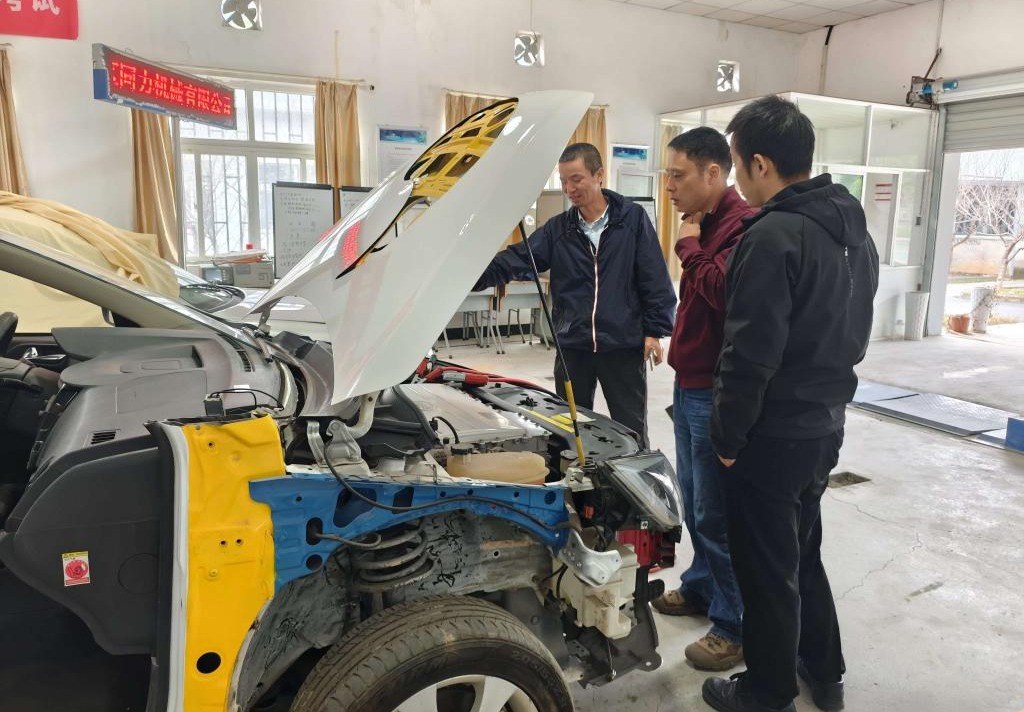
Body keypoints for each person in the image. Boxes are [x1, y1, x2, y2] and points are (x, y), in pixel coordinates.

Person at [701, 96, 879, 712]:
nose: (736, 179)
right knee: (803, 554)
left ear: (760, 163)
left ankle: (767, 690)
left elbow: (749, 355)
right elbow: (857, 332)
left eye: (735, 165)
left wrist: (727, 438)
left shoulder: (773, 235)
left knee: (765, 568)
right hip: (825, 423)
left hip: (771, 435)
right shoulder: (852, 229)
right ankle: (824, 672)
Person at [473, 142, 675, 446]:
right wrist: (467, 275)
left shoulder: (631, 219)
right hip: (573, 345)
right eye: (564, 181)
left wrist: (654, 331)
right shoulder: (558, 229)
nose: (569, 189)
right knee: (570, 427)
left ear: (599, 175)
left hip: (622, 344)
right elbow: (516, 259)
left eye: (576, 179)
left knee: (630, 426)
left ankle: (634, 470)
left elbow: (653, 275)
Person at [652, 127, 752, 672]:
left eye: (679, 175)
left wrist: (688, 248)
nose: (670, 186)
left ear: (714, 173)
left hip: (712, 389)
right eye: (667, 175)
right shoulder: (704, 222)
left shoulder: (740, 226)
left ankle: (734, 625)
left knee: (715, 511)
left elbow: (725, 293)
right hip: (688, 380)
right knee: (692, 500)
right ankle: (701, 585)